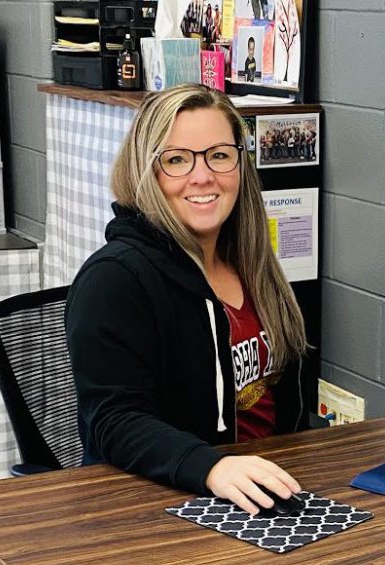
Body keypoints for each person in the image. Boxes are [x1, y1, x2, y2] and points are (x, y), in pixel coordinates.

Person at [65, 85, 308, 515]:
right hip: (161, 502)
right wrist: (212, 467)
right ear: (147, 171)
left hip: (260, 492)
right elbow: (115, 422)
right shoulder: (114, 279)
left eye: (218, 155)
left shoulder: (250, 261)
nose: (203, 176)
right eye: (177, 160)